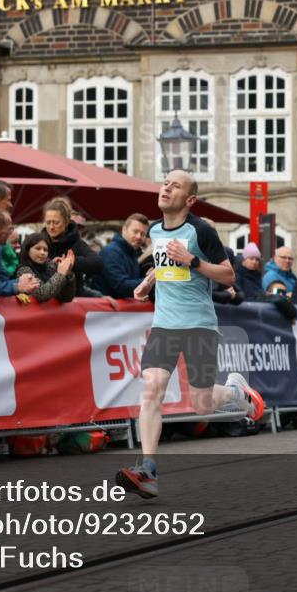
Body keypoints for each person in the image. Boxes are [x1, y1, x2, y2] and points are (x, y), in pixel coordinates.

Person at [115, 170, 265, 499]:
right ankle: (148, 470)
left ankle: (235, 391)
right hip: (165, 323)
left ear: (190, 199)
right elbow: (164, 263)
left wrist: (194, 261)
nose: (166, 188)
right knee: (151, 389)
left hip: (198, 323)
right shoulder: (154, 229)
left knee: (200, 405)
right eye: (165, 183)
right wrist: (149, 281)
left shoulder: (201, 230)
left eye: (176, 186)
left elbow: (228, 276)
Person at [41, 197, 103, 296]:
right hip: (45, 299)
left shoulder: (76, 243)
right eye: (48, 222)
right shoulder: (39, 241)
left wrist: (70, 262)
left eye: (56, 222)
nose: (51, 227)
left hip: (73, 300)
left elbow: (98, 263)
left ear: (66, 222)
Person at [93, 213, 149, 299]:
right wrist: (149, 281)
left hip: (117, 310)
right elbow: (122, 286)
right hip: (104, 310)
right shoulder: (110, 252)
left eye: (143, 234)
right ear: (124, 230)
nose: (139, 237)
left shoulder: (132, 253)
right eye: (135, 231)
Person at [15, 232, 76, 304]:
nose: (42, 252)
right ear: (27, 250)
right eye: (38, 248)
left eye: (45, 250)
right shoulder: (23, 270)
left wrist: (68, 273)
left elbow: (67, 298)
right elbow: (42, 294)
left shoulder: (50, 268)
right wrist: (60, 274)